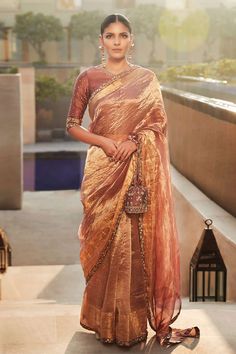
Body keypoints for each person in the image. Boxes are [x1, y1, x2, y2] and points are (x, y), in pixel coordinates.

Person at [66, 13, 200, 348]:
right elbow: (72, 124)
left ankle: (131, 326)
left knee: (135, 247)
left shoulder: (146, 78)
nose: (116, 41)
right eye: (109, 36)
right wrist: (107, 143)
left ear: (131, 39)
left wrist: (134, 141)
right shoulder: (88, 78)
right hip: (103, 168)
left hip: (138, 170)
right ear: (100, 40)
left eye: (122, 35)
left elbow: (158, 124)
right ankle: (105, 322)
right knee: (104, 246)